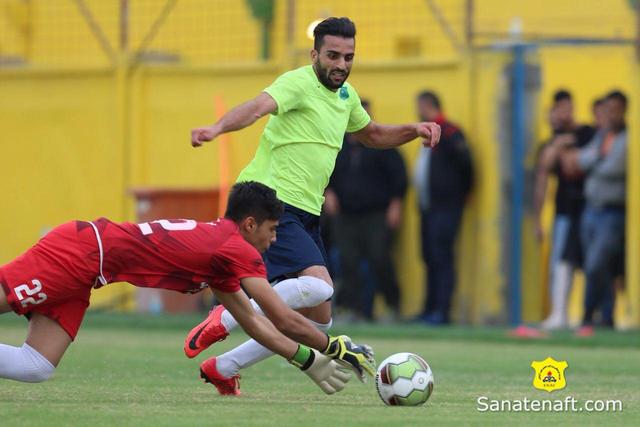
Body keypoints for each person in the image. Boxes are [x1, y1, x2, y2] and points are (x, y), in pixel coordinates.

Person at [187, 17, 440, 390]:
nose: (341, 64)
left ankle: (222, 368)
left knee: (319, 322)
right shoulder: (297, 83)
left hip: (306, 210)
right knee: (320, 287)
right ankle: (226, 316)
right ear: (315, 54)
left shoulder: (346, 97)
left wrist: (413, 129)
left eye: (348, 56)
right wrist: (217, 128)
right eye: (333, 55)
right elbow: (257, 107)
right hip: (269, 201)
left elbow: (370, 134)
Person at [0, 181, 374, 396]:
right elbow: (280, 316)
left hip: (88, 269)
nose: (274, 240)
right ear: (249, 224)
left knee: (36, 367)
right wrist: (331, 347)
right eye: (272, 229)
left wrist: (308, 360)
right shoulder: (236, 250)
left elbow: (256, 323)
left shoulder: (224, 254)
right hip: (80, 251)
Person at [324, 99, 407, 321]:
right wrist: (328, 191)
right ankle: (353, 309)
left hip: (376, 215)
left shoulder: (383, 146)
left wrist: (395, 205)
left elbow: (399, 178)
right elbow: (323, 172)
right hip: (345, 216)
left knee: (380, 259)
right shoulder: (336, 145)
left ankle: (392, 306)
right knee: (347, 261)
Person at [557, 90, 628, 335]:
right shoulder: (603, 135)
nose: (611, 114)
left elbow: (613, 167)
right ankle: (605, 317)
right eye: (608, 109)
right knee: (594, 266)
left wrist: (589, 160)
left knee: (598, 262)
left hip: (612, 211)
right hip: (591, 209)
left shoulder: (626, 137)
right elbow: (587, 159)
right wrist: (591, 158)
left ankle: (588, 313)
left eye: (615, 109)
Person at [533, 90, 596, 330]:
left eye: (566, 108)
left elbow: (574, 166)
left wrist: (564, 151)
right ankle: (559, 313)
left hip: (589, 207)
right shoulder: (552, 141)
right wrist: (538, 220)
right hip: (564, 211)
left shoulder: (587, 133)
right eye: (558, 110)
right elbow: (542, 176)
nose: (563, 114)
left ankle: (596, 315)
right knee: (560, 262)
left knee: (594, 263)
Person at [413, 91, 473, 325]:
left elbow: (467, 166)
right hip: (428, 207)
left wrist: (459, 195)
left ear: (428, 106)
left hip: (446, 207)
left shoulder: (449, 132)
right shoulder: (429, 132)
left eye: (420, 106)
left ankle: (442, 311)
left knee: (442, 257)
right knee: (429, 256)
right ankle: (429, 309)